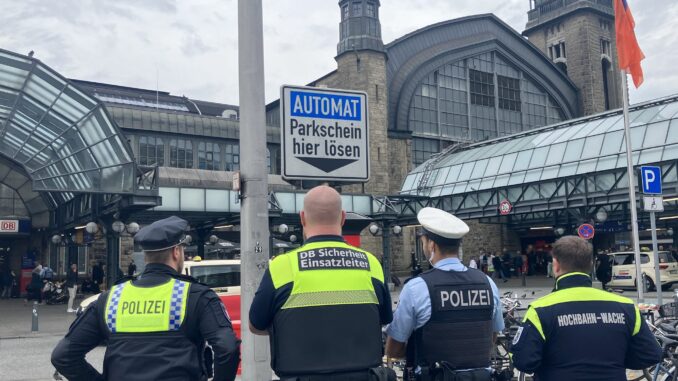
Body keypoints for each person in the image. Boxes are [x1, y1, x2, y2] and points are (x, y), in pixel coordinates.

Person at [51, 216, 240, 381]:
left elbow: (63, 356)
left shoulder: (111, 299)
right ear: (176, 252)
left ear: (147, 256)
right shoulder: (196, 296)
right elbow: (227, 348)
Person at [249, 186, 394, 380]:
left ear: (302, 218)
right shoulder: (370, 264)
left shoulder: (282, 267)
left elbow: (255, 324)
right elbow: (384, 319)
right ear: (343, 218)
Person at [511, 236, 662, 381]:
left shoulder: (540, 310)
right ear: (591, 264)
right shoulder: (626, 307)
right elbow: (651, 354)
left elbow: (523, 361)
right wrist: (616, 363)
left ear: (555, 265)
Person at [385, 207, 504, 381]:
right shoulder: (488, 283)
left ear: (431, 245)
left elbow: (393, 349)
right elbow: (492, 336)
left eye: (424, 242)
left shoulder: (417, 287)